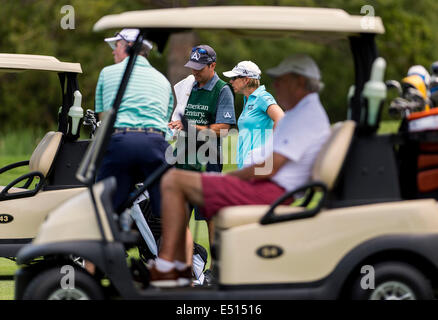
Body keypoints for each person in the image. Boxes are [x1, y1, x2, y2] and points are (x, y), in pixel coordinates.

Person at [147, 54, 331, 287]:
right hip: (264, 183)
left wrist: (233, 177)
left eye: (281, 80)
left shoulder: (304, 114)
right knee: (178, 181)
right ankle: (182, 270)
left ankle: (170, 270)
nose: (275, 85)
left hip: (270, 190)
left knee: (174, 181)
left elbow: (270, 168)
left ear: (300, 83)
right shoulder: (302, 111)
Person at [168, 45, 236, 282]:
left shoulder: (222, 89)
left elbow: (223, 129)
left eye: (199, 68)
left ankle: (218, 268)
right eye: (192, 68)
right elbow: (180, 115)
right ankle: (185, 266)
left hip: (208, 161)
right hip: (183, 157)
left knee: (210, 216)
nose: (195, 72)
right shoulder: (189, 87)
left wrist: (192, 128)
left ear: (212, 66)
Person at [95, 28, 174, 218]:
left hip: (122, 141)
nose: (113, 50)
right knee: (168, 212)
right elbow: (164, 123)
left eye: (117, 46)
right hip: (156, 144)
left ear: (129, 47)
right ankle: (173, 247)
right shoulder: (163, 80)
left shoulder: (107, 73)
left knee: (104, 208)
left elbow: (104, 120)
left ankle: (111, 243)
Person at [222, 61, 284, 168]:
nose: (231, 81)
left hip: (258, 164)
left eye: (234, 78)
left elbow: (281, 118)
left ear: (246, 80)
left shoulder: (262, 97)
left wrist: (268, 149)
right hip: (246, 165)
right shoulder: (247, 99)